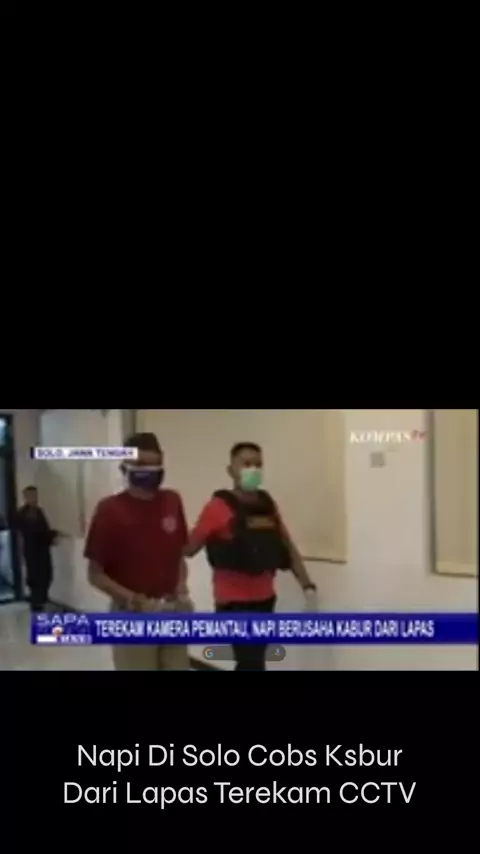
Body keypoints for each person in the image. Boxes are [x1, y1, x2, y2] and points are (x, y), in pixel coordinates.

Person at [185, 442, 318, 671]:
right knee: (251, 662)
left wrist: (307, 585)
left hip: (265, 599)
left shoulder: (267, 506)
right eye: (246, 464)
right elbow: (189, 548)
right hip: (233, 603)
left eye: (258, 464)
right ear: (231, 470)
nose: (253, 469)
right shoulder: (218, 507)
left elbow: (287, 546)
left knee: (253, 662)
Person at [85, 432, 192, 671]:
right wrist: (134, 600)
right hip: (131, 615)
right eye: (142, 464)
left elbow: (178, 557)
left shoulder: (172, 501)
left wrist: (181, 588)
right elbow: (95, 574)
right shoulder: (109, 510)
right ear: (125, 467)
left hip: (172, 611)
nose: (150, 471)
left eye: (155, 464)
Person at [15, 486, 58, 612]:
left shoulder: (39, 511)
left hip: (43, 549)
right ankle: (36, 603)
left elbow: (44, 529)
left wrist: (53, 536)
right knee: (34, 577)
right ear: (25, 497)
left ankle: (42, 599)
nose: (33, 498)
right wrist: (20, 553)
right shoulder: (21, 514)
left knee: (46, 575)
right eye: (30, 496)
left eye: (35, 495)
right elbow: (19, 535)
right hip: (31, 550)